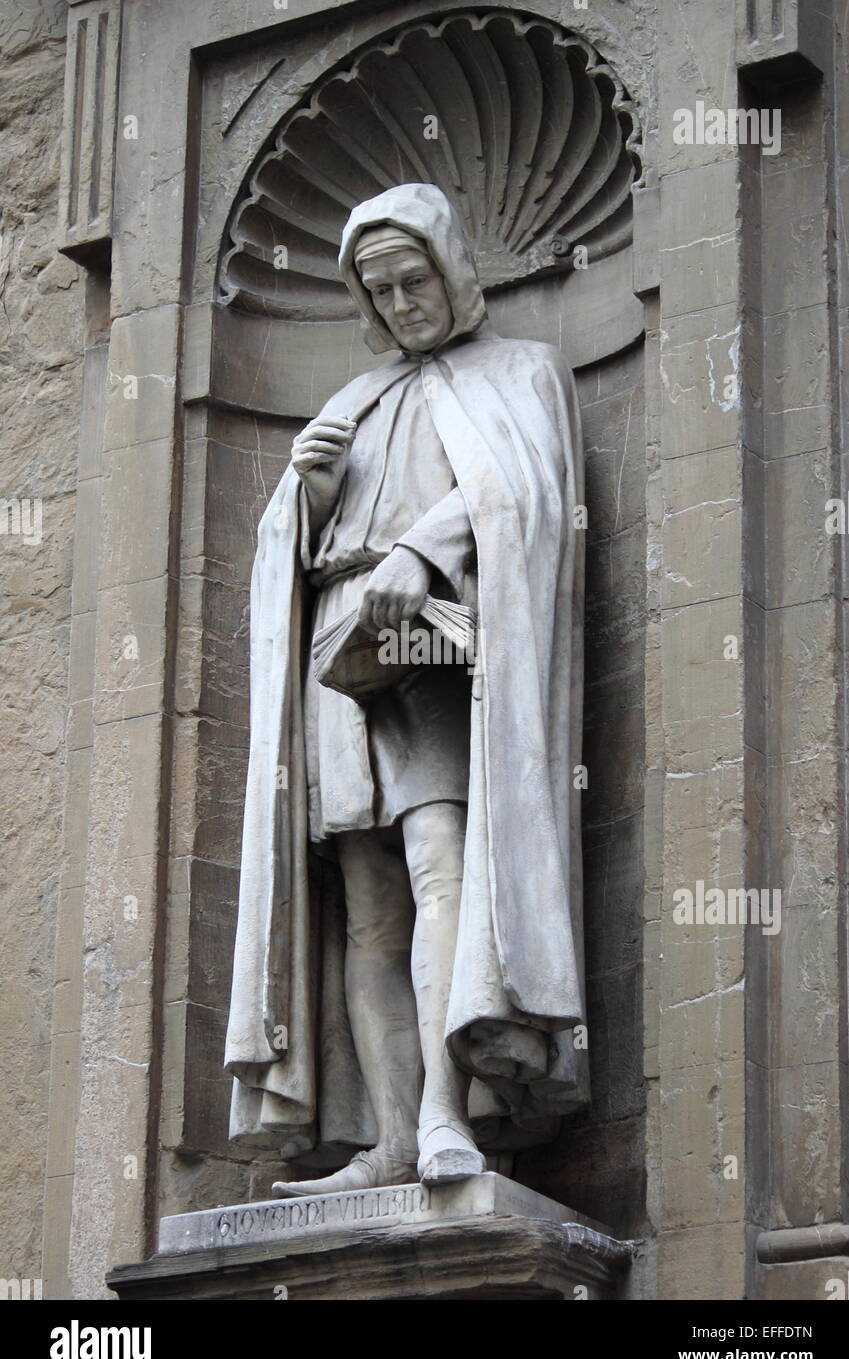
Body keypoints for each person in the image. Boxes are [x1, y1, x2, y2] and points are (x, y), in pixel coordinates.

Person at [225, 183, 588, 1193]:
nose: (397, 302)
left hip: (430, 649)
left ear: (449, 269)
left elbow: (528, 500)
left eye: (411, 279)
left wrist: (421, 554)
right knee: (368, 906)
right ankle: (386, 1136)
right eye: (376, 290)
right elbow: (300, 552)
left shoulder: (521, 371)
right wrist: (312, 497)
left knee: (440, 862)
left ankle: (444, 1116)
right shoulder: (355, 399)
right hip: (336, 654)